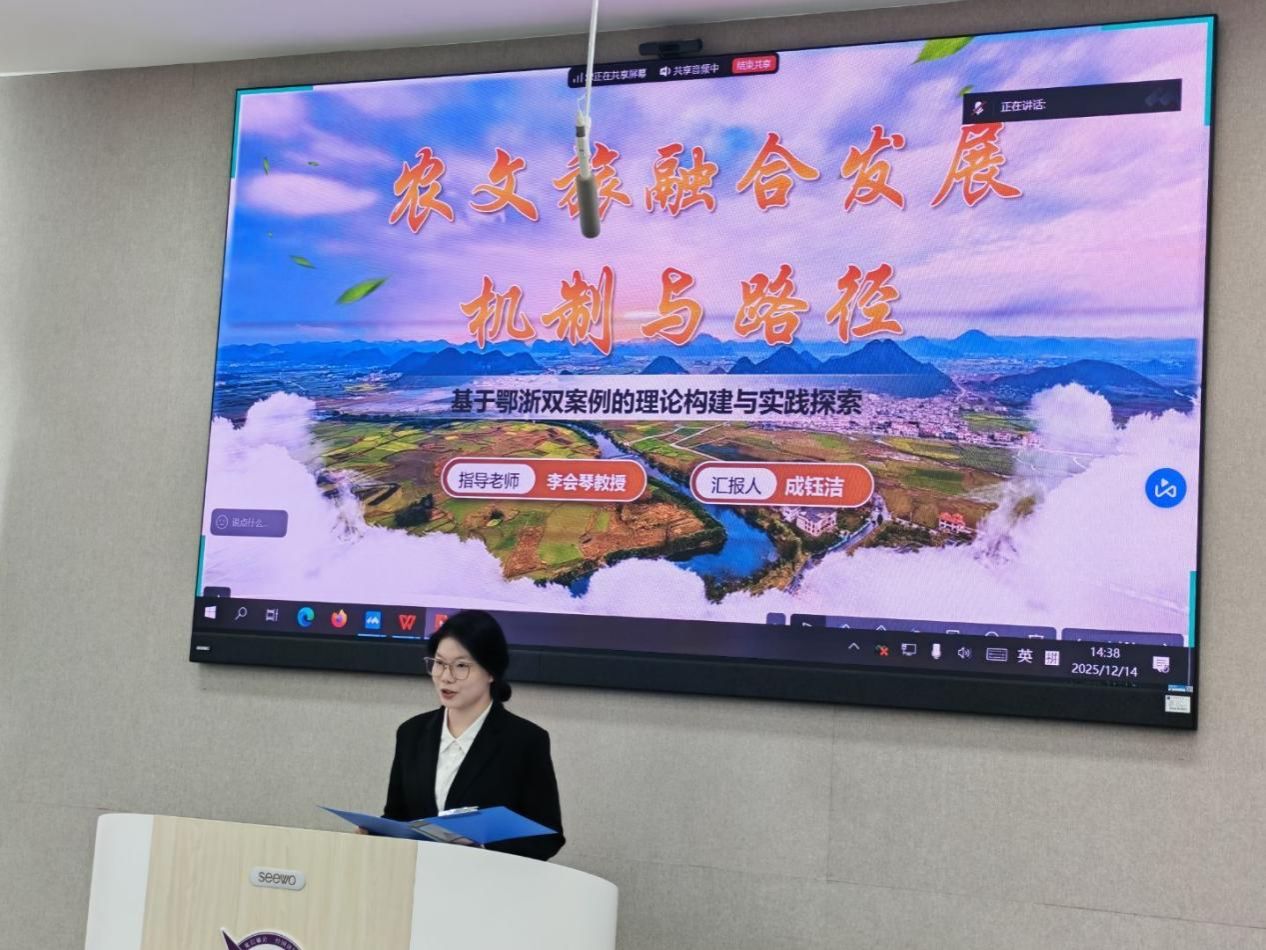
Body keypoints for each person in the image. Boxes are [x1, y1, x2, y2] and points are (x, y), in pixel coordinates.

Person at [381, 610, 564, 861]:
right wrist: (374, 833)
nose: (446, 677)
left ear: (491, 672)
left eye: (461, 666)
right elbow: (396, 817)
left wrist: (483, 846)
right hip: (419, 876)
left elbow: (548, 837)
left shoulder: (525, 741)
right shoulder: (411, 733)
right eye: (439, 663)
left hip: (488, 879)